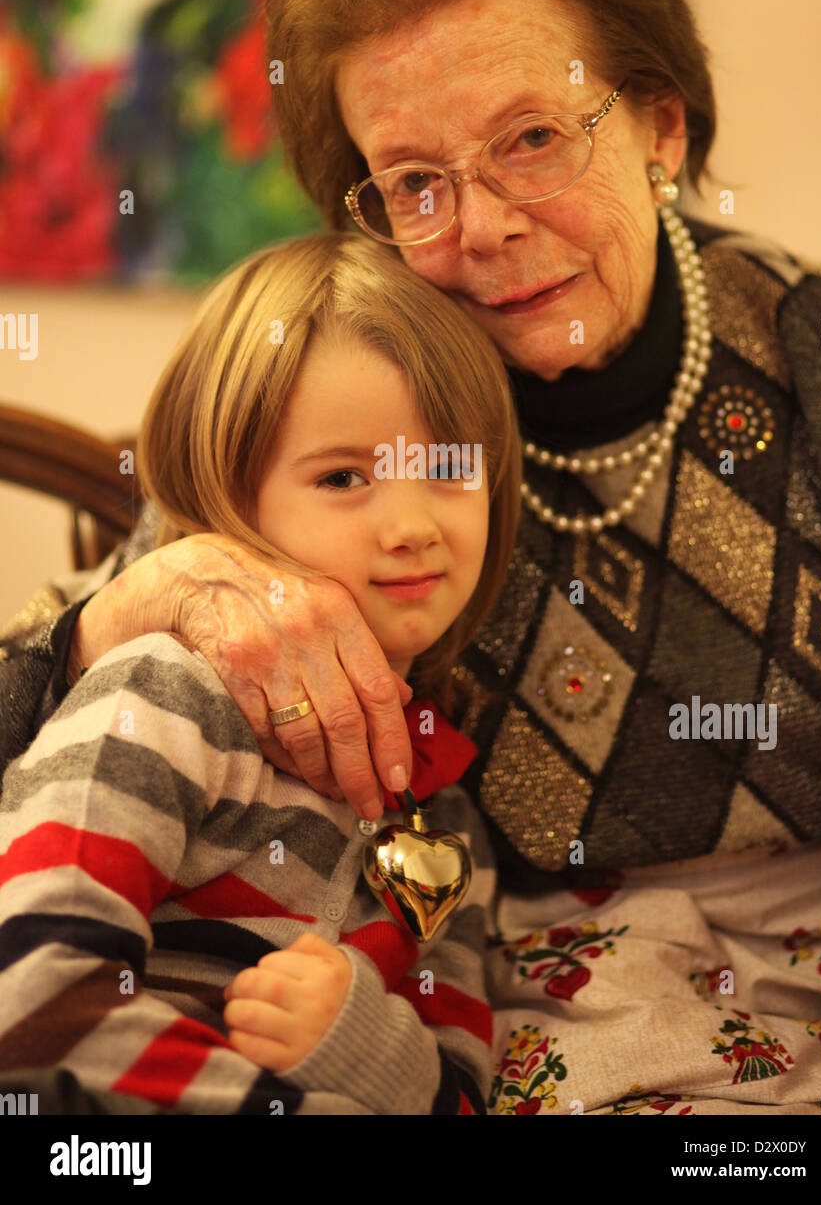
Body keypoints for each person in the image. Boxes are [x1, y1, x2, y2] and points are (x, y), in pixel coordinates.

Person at [2, 0, 821, 1115]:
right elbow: (54, 732)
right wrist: (120, 615)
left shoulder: (819, 360)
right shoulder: (333, 395)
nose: (486, 225)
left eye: (531, 138)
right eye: (415, 182)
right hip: (479, 1008)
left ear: (659, 125)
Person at [0, 233, 521, 1115]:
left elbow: (460, 1089)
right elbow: (32, 996)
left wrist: (361, 1043)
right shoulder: (161, 696)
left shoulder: (448, 805)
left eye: (447, 466)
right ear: (225, 505)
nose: (411, 525)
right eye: (346, 475)